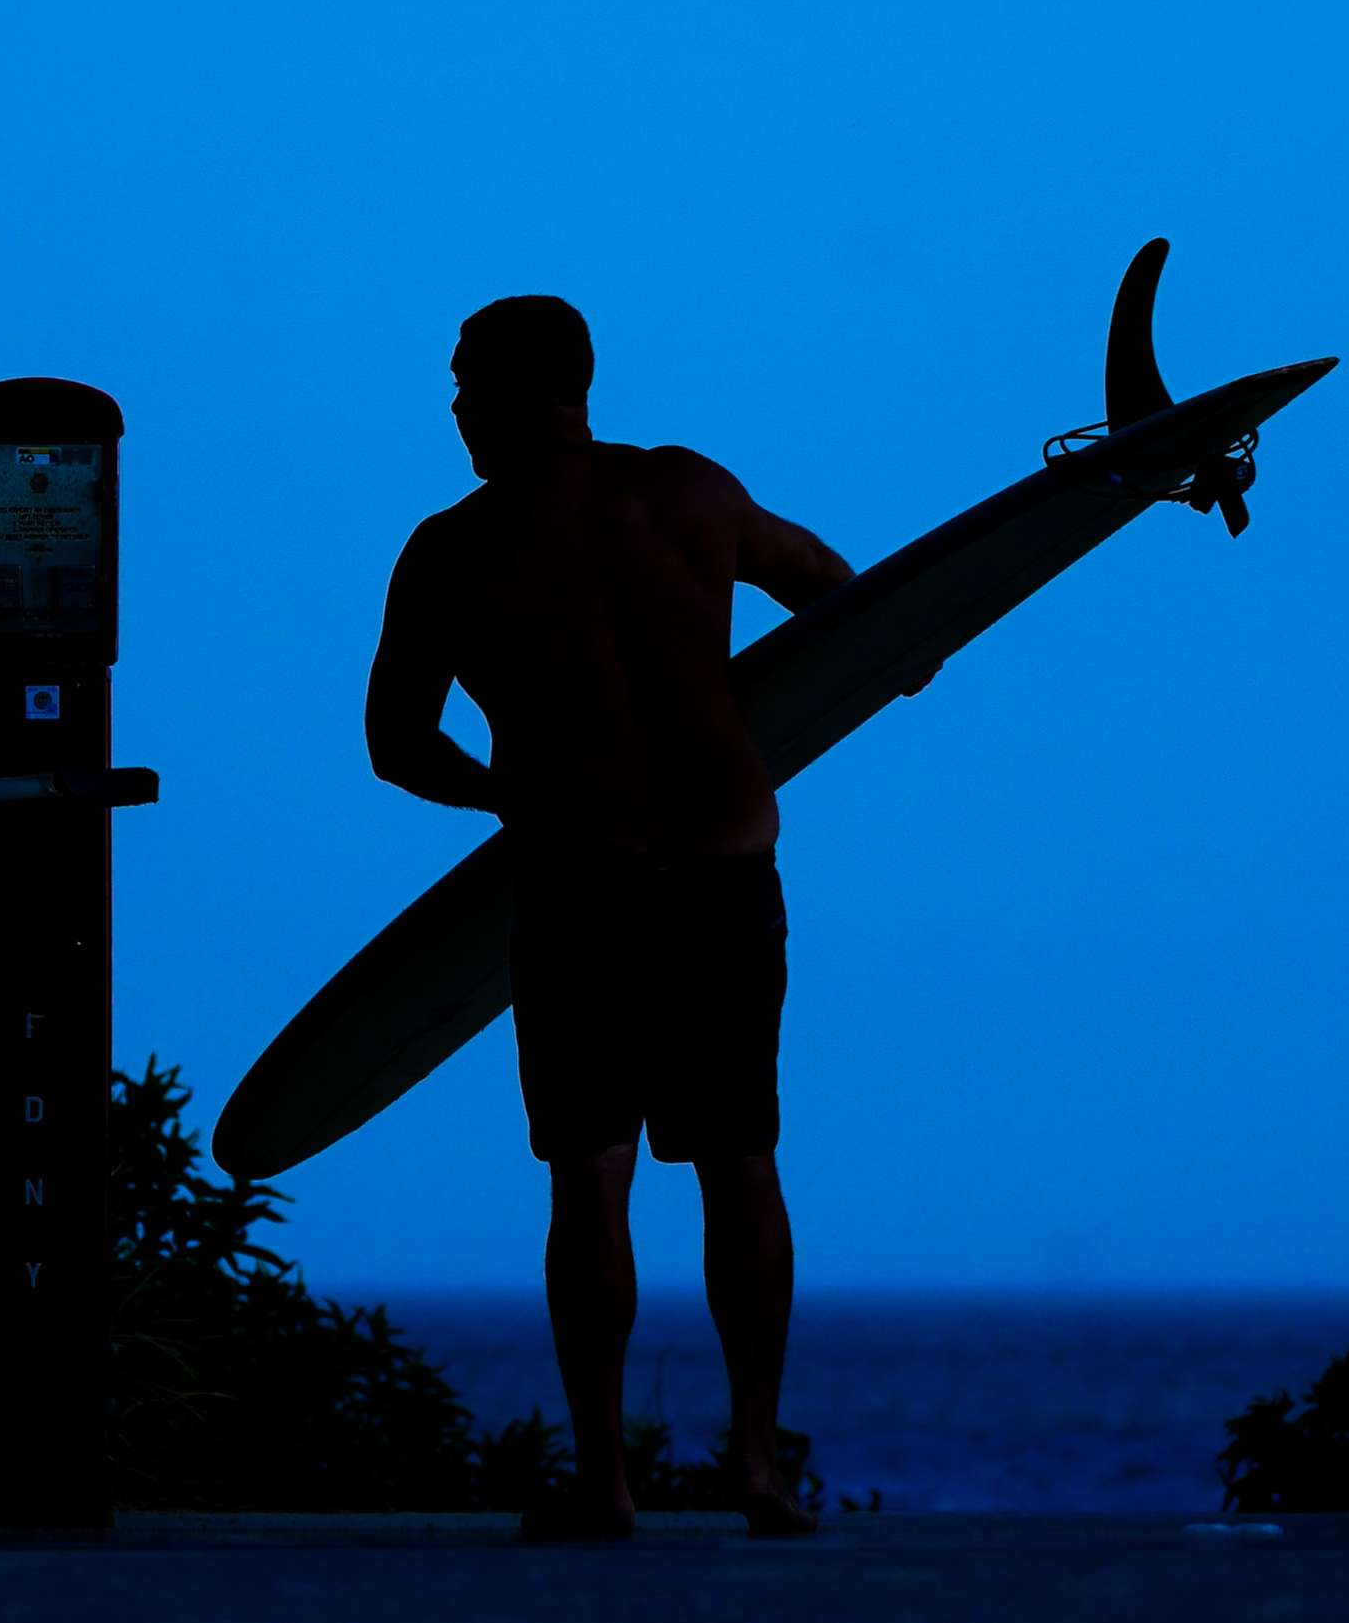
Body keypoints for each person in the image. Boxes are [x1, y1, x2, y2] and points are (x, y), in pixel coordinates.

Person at [364, 295, 932, 1541]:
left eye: (468, 381)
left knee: (591, 1182)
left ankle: (607, 1485)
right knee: (740, 1165)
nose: (454, 404)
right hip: (727, 880)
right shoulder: (690, 495)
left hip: (583, 888)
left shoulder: (453, 550)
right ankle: (758, 1470)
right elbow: (849, 602)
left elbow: (395, 743)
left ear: (529, 387)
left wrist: (501, 785)